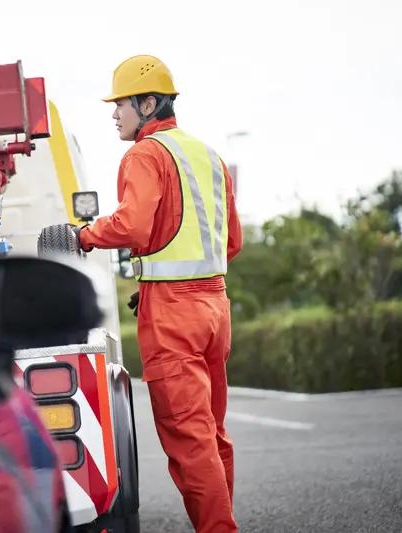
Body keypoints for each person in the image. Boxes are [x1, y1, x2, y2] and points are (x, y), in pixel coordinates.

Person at [76, 55, 243, 533]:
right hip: (215, 306)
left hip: (173, 314)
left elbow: (133, 224)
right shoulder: (208, 155)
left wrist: (83, 235)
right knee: (212, 434)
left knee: (189, 441)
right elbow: (232, 242)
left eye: (120, 104)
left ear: (148, 103)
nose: (114, 113)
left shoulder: (144, 155)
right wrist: (162, 270)